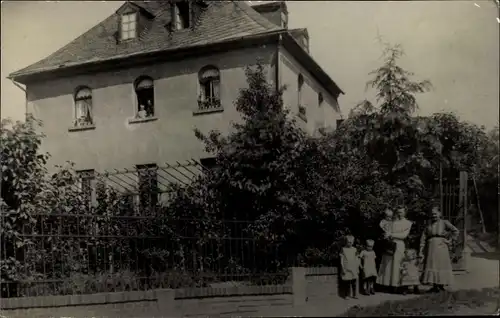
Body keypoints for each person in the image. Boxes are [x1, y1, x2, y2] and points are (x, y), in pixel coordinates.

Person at [419, 205, 459, 293]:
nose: (434, 216)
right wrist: (422, 249)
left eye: (435, 214)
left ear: (440, 213)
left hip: (441, 246)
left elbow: (455, 231)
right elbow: (423, 237)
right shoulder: (429, 224)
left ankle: (441, 286)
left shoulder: (444, 222)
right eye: (432, 214)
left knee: (441, 265)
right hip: (431, 247)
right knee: (432, 265)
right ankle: (434, 286)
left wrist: (450, 240)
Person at [377, 205, 413, 293]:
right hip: (389, 244)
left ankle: (398, 286)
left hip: (399, 244)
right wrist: (386, 235)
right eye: (398, 212)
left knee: (398, 265)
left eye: (401, 212)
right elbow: (383, 226)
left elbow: (404, 235)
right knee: (388, 265)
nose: (399, 214)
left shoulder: (408, 223)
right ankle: (388, 285)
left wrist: (391, 234)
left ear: (405, 212)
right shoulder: (392, 222)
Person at [340, 235, 360, 299]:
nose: (350, 243)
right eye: (348, 242)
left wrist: (357, 267)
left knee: (354, 282)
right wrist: (342, 267)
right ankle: (346, 295)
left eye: (351, 242)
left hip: (353, 268)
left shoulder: (355, 249)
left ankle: (355, 294)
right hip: (346, 268)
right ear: (346, 242)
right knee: (347, 282)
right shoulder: (343, 249)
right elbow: (342, 259)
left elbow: (357, 258)